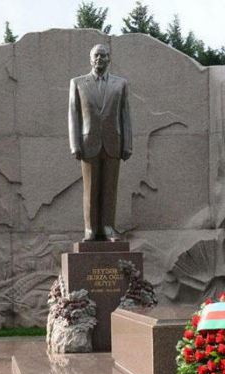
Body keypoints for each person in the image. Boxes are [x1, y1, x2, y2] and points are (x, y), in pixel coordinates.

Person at [69, 43, 132, 242]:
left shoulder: (120, 84)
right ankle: (90, 229)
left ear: (109, 60)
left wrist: (128, 143)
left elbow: (125, 115)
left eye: (103, 56)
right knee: (90, 189)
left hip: (114, 143)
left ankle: (108, 228)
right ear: (90, 59)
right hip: (88, 143)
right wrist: (74, 144)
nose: (99, 59)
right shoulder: (78, 83)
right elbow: (74, 114)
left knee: (109, 189)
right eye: (96, 56)